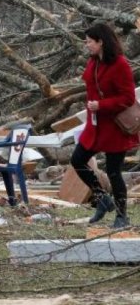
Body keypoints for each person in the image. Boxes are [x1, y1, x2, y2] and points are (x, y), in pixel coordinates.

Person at [70, 23, 138, 228]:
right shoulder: (93, 62)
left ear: (101, 42)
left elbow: (127, 97)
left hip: (115, 127)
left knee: (114, 171)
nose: (87, 45)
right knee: (78, 160)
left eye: (90, 41)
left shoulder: (119, 64)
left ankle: (122, 216)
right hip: (95, 126)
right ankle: (102, 199)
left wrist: (102, 104)